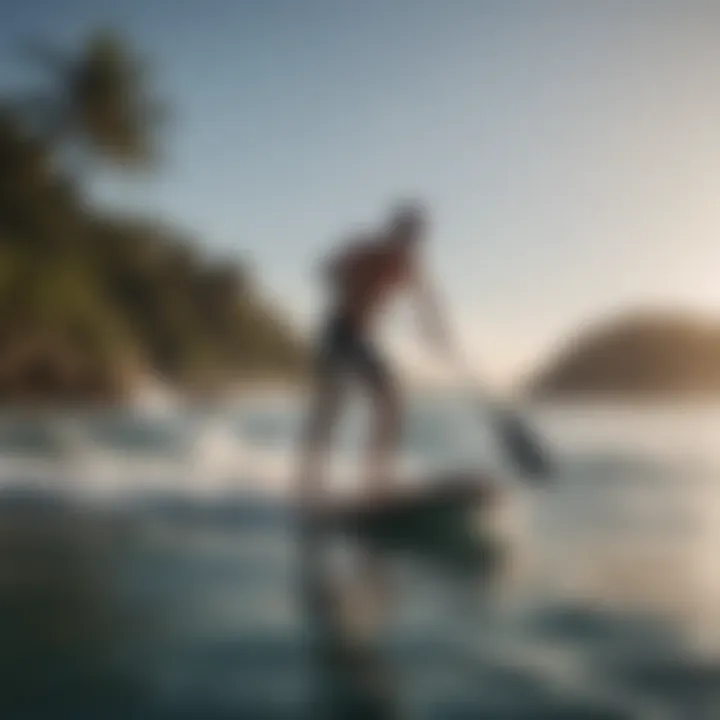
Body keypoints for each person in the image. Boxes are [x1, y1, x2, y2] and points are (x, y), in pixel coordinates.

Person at [299, 202, 452, 510]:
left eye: (414, 237)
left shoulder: (408, 265)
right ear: (393, 231)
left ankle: (375, 482)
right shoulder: (367, 251)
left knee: (392, 402)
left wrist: (434, 328)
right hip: (339, 333)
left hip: (363, 341)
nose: (409, 242)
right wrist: (348, 286)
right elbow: (325, 269)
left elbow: (427, 300)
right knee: (332, 407)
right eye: (405, 234)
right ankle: (309, 483)